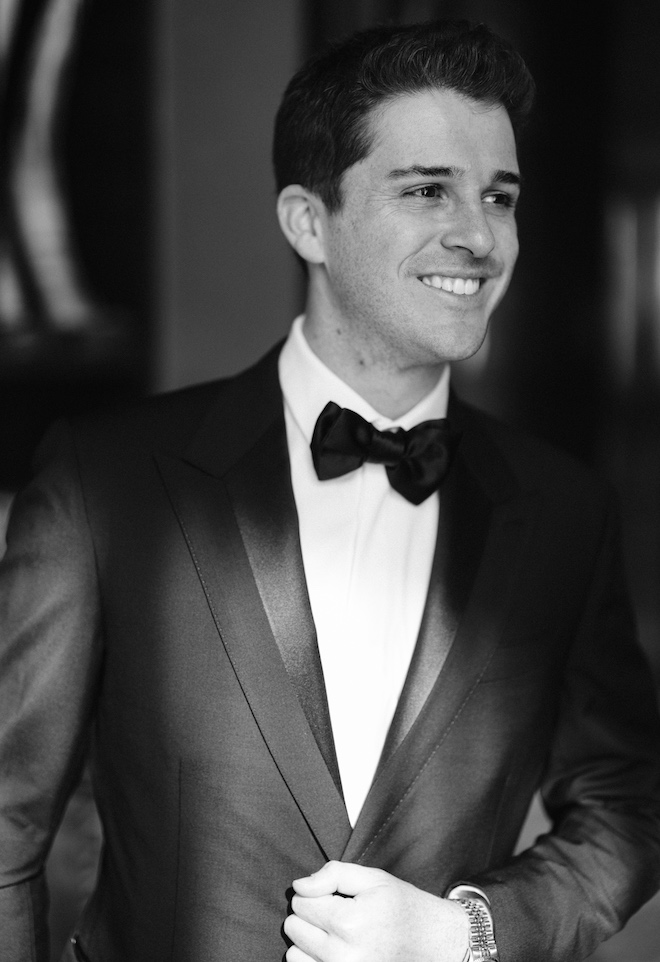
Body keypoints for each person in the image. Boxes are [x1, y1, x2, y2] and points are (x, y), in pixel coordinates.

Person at [1, 19, 660, 962]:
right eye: (427, 189)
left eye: (499, 197)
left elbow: (629, 806)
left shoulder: (564, 512)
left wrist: (466, 932)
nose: (478, 236)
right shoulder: (106, 482)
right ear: (309, 220)